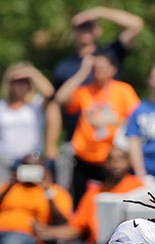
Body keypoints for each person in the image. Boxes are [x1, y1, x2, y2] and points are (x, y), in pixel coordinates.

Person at [55, 50, 140, 201]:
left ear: (113, 69)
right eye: (96, 68)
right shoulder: (85, 91)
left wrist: (108, 122)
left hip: (111, 159)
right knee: (82, 202)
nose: (99, 72)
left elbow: (137, 120)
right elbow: (60, 98)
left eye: (103, 68)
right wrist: (82, 72)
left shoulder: (123, 90)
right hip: (84, 156)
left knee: (110, 200)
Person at [0, 64, 53, 187]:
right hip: (5, 160)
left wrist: (31, 72)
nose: (20, 86)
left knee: (30, 195)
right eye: (16, 82)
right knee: (3, 195)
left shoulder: (36, 104)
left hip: (30, 161)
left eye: (24, 82)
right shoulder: (0, 106)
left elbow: (49, 92)